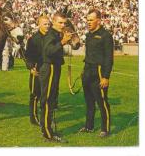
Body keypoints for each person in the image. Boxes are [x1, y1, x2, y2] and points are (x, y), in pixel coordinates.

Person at [79, 9, 113, 138]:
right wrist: (84, 70)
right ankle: (89, 126)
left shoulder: (105, 36)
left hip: (99, 72)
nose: (88, 22)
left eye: (91, 20)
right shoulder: (88, 35)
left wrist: (106, 76)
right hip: (87, 70)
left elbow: (109, 58)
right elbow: (88, 55)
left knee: (102, 101)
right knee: (89, 102)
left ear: (98, 20)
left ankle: (105, 129)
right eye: (87, 20)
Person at [39, 12, 72, 142]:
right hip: (50, 68)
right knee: (47, 100)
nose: (63, 25)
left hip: (54, 68)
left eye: (64, 23)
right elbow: (48, 51)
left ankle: (48, 129)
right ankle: (47, 133)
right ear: (53, 22)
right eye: (60, 22)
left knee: (52, 99)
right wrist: (63, 42)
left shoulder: (56, 34)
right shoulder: (50, 34)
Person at [25, 15, 50, 125]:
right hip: (37, 69)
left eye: (49, 24)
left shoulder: (52, 37)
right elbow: (28, 56)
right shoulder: (33, 39)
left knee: (48, 94)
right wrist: (31, 68)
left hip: (49, 69)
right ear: (39, 25)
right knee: (35, 94)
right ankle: (34, 118)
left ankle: (46, 116)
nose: (48, 26)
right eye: (45, 24)